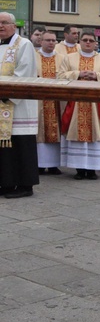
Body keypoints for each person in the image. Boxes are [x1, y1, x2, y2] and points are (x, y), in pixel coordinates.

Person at [57, 29, 100, 180]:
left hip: (97, 106)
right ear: (80, 42)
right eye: (85, 40)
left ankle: (93, 170)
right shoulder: (69, 58)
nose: (88, 43)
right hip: (75, 104)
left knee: (96, 133)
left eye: (91, 40)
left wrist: (96, 75)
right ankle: (79, 169)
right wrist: (78, 74)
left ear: (96, 43)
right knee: (76, 133)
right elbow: (60, 76)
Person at [0, 12, 39, 198]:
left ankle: (25, 186)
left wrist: (7, 95)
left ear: (14, 26)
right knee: (4, 148)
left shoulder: (24, 44)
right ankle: (6, 184)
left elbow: (25, 71)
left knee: (21, 145)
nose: (1, 26)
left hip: (19, 104)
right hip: (1, 104)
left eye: (4, 23)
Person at [36, 30, 65, 175]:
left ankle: (54, 164)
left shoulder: (62, 58)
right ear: (41, 41)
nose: (51, 43)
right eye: (48, 40)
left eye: (53, 40)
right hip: (39, 100)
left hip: (56, 100)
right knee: (39, 130)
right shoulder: (34, 56)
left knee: (56, 129)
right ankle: (40, 164)